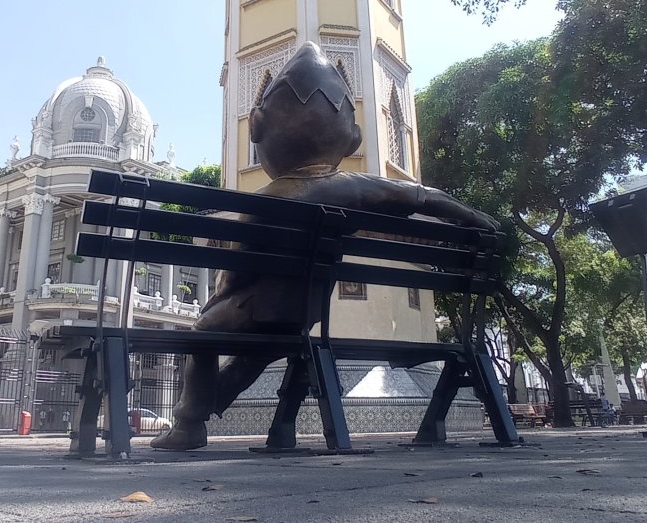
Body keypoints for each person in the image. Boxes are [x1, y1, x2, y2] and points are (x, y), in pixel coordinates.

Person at [149, 43, 500, 451]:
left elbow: (235, 277)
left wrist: (213, 308)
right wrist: (474, 219)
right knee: (262, 350)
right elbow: (422, 196)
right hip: (307, 313)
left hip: (259, 310)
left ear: (257, 129)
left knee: (202, 334)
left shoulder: (262, 202)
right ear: (352, 140)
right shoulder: (356, 187)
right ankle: (232, 414)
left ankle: (190, 423)